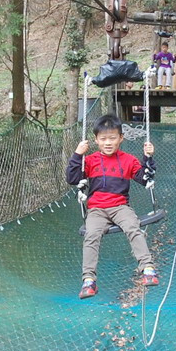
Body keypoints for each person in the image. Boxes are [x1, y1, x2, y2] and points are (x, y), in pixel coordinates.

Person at [66, 114, 158, 299]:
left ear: (121, 138)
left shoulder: (128, 160)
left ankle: (147, 268)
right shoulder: (90, 160)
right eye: (103, 139)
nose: (108, 143)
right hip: (97, 209)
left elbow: (145, 178)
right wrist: (77, 154)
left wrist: (148, 158)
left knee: (133, 227)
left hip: (120, 206)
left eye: (112, 138)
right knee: (91, 236)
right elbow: (72, 179)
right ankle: (88, 280)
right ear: (96, 140)